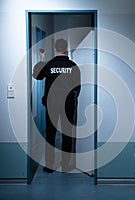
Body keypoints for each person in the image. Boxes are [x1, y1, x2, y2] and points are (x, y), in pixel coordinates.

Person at [32, 39, 81, 173]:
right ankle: (65, 165)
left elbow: (36, 75)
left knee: (50, 134)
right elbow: (78, 87)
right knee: (67, 134)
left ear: (55, 49)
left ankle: (49, 165)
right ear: (66, 49)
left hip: (52, 104)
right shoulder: (73, 66)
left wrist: (42, 59)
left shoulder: (48, 65)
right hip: (68, 105)